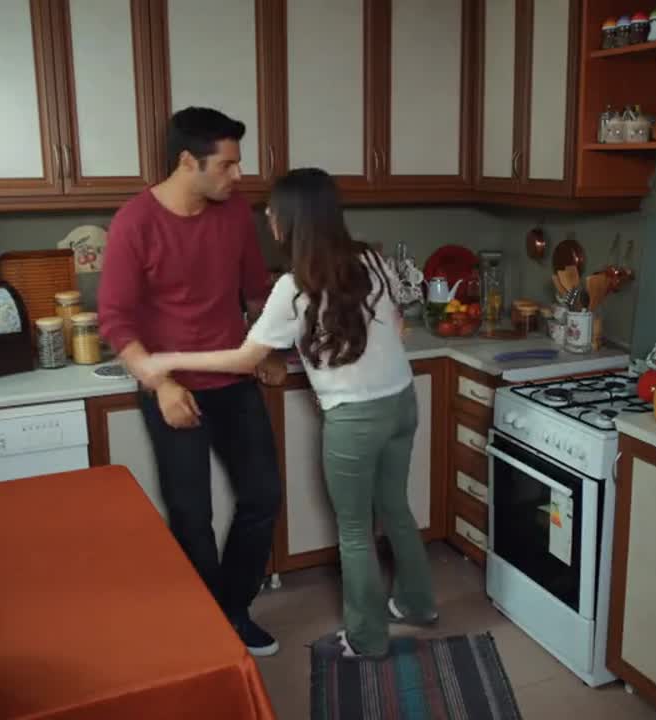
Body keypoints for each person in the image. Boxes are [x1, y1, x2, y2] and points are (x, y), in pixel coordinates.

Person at [141, 168, 438, 659]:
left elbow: (244, 359)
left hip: (354, 420)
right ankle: (418, 603)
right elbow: (395, 325)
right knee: (395, 508)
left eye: (273, 212)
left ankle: (366, 640)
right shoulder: (372, 259)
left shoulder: (295, 286)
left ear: (291, 220)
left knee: (355, 532)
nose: (268, 218)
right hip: (402, 402)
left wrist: (170, 359)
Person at [98, 107, 286, 657]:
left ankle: (233, 610)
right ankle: (210, 623)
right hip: (173, 389)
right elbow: (115, 320)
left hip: (233, 380)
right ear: (188, 161)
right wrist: (160, 383)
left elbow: (256, 290)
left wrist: (269, 349)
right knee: (191, 514)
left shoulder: (234, 213)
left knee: (262, 497)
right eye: (227, 165)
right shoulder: (135, 222)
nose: (238, 175)